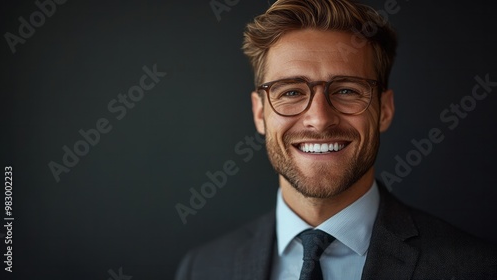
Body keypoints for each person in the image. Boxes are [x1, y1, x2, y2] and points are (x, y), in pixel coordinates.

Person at [175, 0, 497, 279]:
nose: (319, 119)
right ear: (259, 114)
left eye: (346, 90)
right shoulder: (202, 269)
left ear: (384, 110)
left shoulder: (476, 268)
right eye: (290, 92)